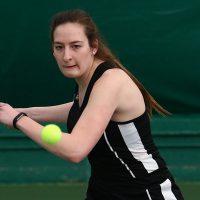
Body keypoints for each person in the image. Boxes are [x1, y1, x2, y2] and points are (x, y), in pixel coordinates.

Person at [0, 9, 184, 200]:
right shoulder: (86, 80)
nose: (67, 56)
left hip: (144, 193)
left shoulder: (111, 81)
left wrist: (18, 119)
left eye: (76, 46)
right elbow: (80, 108)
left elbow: (75, 150)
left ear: (93, 46)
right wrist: (18, 111)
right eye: (59, 47)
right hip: (104, 191)